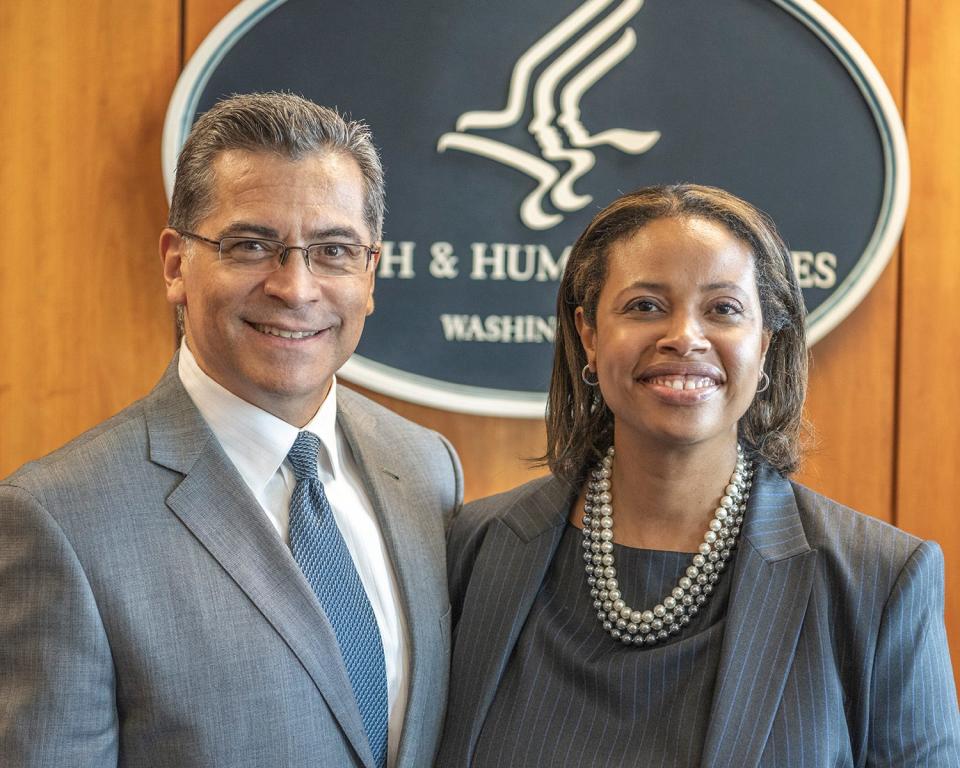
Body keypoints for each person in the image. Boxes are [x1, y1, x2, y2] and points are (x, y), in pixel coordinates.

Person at [0, 92, 462, 768]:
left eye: (333, 250)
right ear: (175, 264)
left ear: (370, 274)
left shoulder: (427, 468)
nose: (295, 288)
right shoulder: (60, 520)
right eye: (252, 245)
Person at [437, 184, 960, 766]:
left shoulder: (877, 580)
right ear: (588, 334)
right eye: (645, 306)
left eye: (723, 309)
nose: (684, 336)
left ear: (763, 344)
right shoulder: (474, 548)